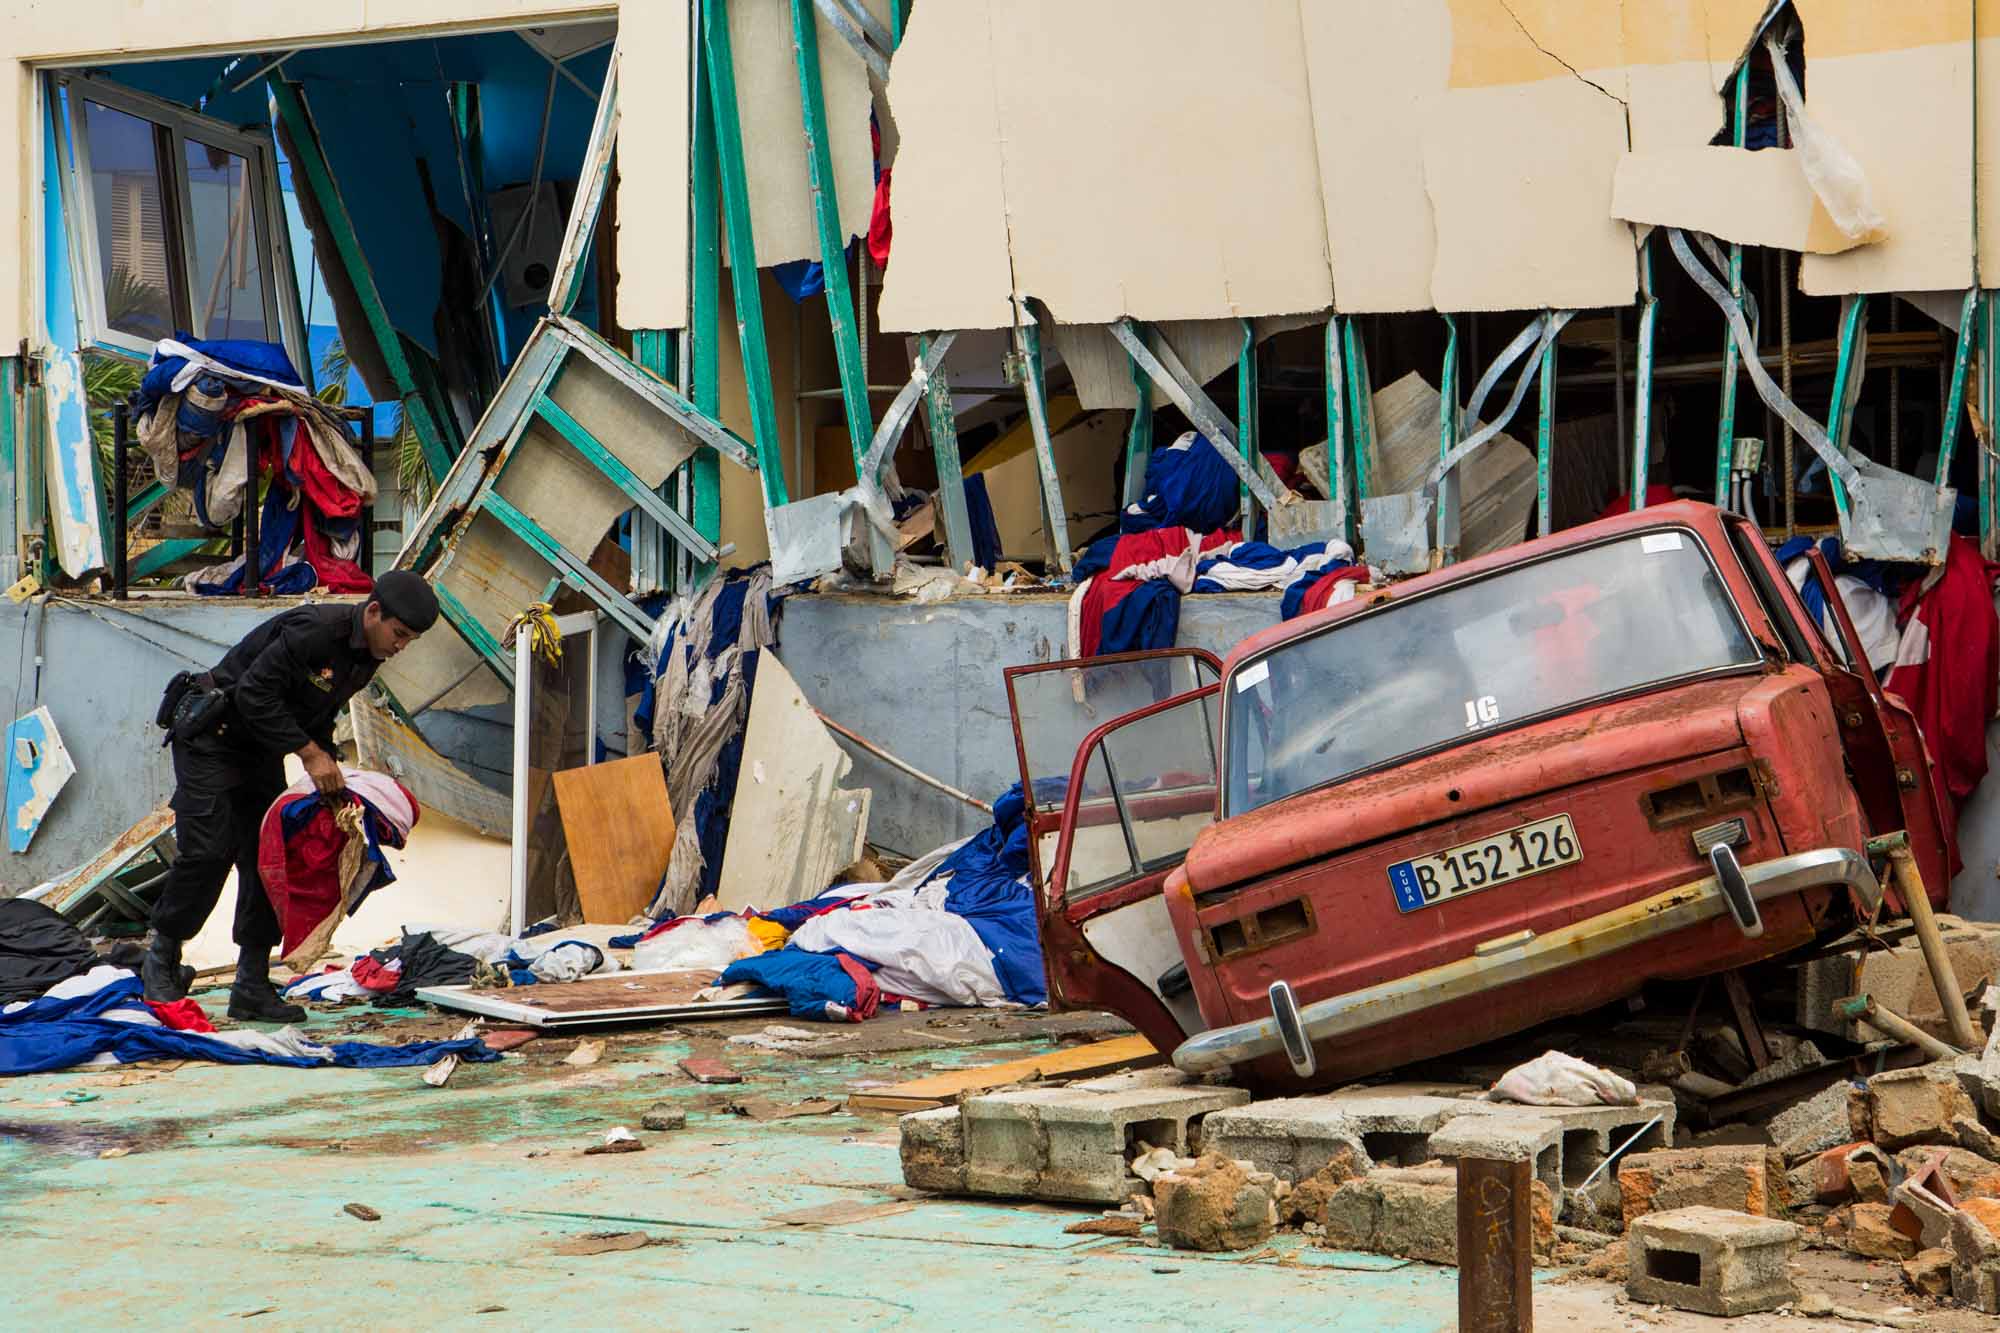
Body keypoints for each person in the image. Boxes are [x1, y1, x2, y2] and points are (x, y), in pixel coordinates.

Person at [142, 571, 439, 1020]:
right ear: (374, 611)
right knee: (208, 852)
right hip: (213, 738)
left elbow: (316, 711)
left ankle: (252, 983)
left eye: (410, 641)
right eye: (398, 634)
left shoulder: (367, 654)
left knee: (270, 857)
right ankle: (160, 961)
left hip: (261, 749)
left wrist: (329, 767)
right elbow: (254, 694)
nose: (400, 646)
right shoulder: (317, 632)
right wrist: (308, 754)